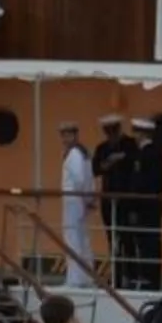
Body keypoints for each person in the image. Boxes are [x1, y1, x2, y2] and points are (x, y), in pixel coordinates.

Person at [125, 116, 162, 290]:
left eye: (136, 132)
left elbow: (144, 184)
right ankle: (149, 278)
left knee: (148, 244)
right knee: (148, 244)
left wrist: (134, 207)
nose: (134, 136)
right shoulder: (154, 153)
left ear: (142, 134)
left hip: (146, 208)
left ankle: (149, 279)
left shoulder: (149, 154)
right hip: (151, 208)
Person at [92, 113, 135, 282]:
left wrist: (123, 159)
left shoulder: (130, 145)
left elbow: (135, 166)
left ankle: (130, 275)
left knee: (128, 238)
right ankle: (117, 275)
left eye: (112, 131)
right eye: (107, 132)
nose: (110, 135)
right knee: (112, 238)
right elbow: (95, 169)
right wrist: (109, 162)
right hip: (108, 199)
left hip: (126, 199)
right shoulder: (102, 148)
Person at [55, 119, 95, 287]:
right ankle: (87, 276)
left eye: (68, 135)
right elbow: (89, 179)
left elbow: (79, 178)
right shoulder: (83, 152)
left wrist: (84, 197)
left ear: (74, 135)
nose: (65, 139)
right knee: (82, 238)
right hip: (80, 199)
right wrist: (88, 198)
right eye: (63, 135)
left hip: (73, 199)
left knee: (72, 238)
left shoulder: (74, 154)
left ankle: (75, 279)